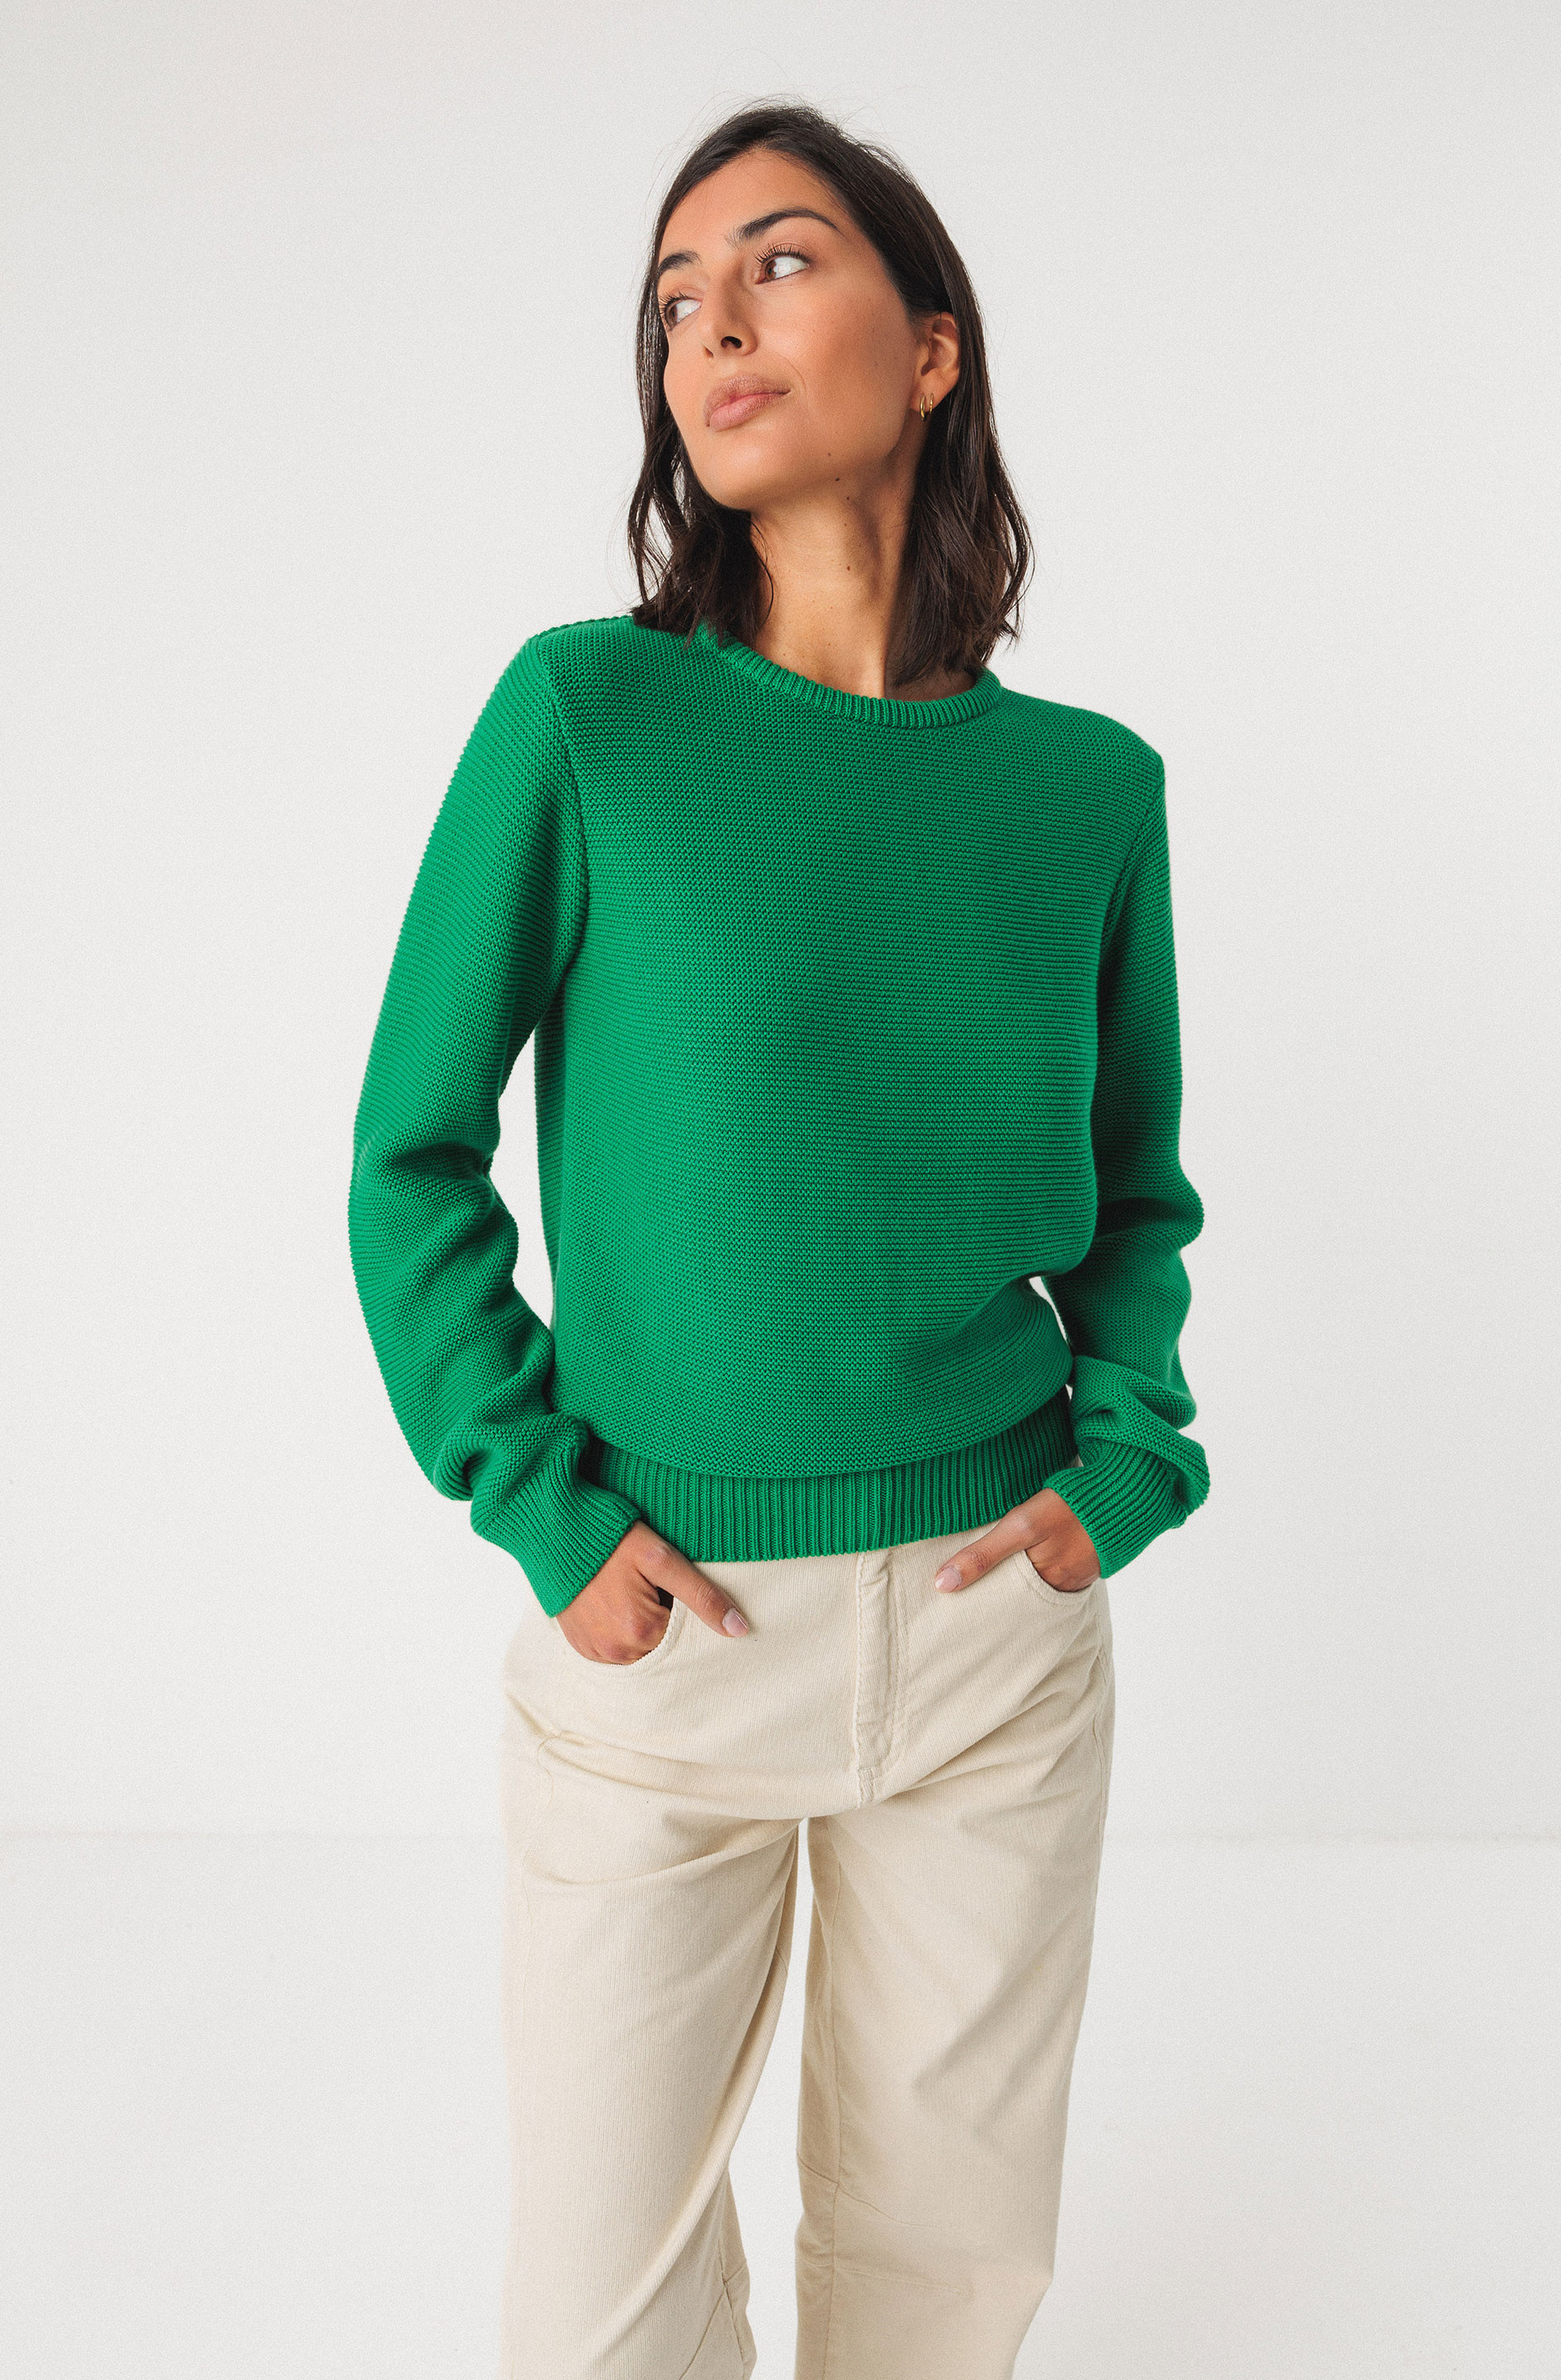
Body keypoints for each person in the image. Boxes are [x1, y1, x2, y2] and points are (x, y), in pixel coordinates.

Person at [348, 97, 1209, 2380]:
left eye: (780, 262)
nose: (711, 324)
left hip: (994, 1636)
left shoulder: (1088, 792)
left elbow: (1137, 1198)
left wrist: (1122, 1467)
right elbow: (409, 1155)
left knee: (941, 2289)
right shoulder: (587, 714)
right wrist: (540, 1504)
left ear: (932, 350)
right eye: (672, 301)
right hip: (665, 1637)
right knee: (602, 2321)